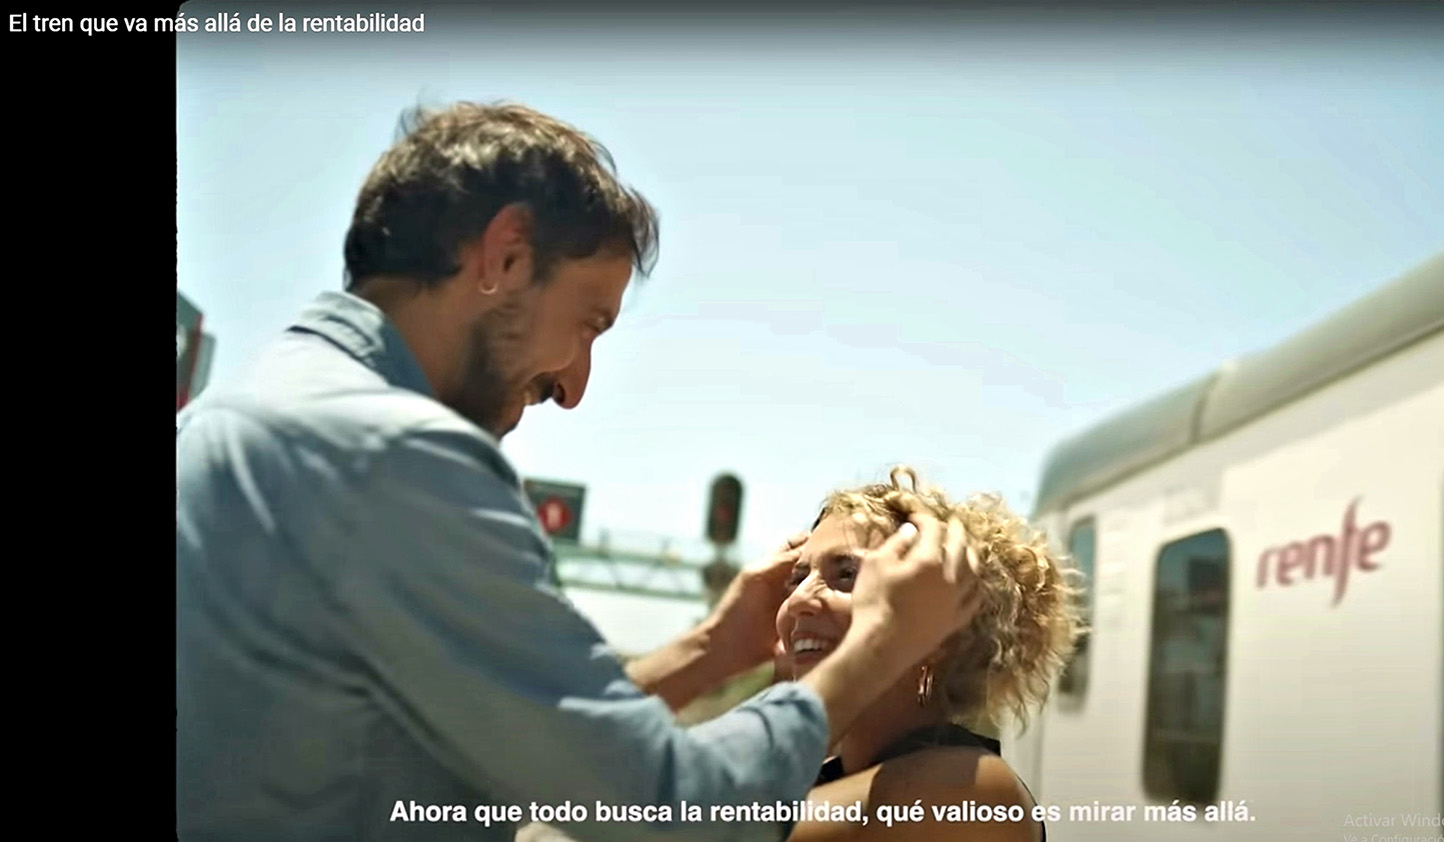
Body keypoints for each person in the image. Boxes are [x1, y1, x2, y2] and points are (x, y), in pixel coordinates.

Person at [175, 101, 987, 842]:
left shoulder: (238, 418)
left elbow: (524, 749)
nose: (574, 386)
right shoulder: (402, 457)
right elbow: (665, 812)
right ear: (504, 256)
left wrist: (710, 649)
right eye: (589, 323)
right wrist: (879, 644)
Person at [775, 467, 1082, 842]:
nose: (798, 600)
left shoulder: (970, 788)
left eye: (848, 574)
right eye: (797, 578)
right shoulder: (823, 776)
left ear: (936, 630)